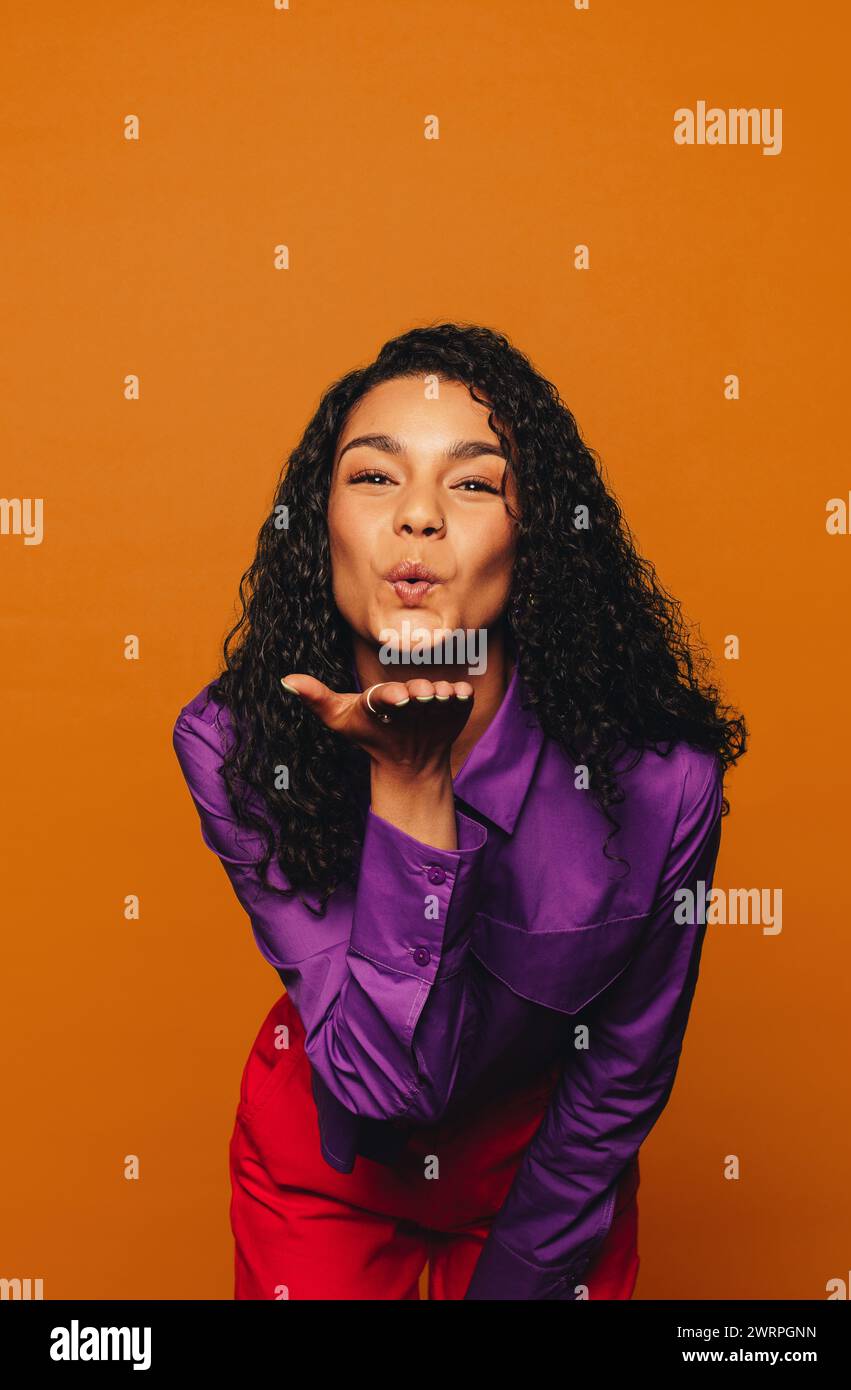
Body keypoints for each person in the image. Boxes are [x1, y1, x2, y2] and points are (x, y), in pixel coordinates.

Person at [171, 322, 747, 1300]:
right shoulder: (235, 744)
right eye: (374, 477)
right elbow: (389, 1084)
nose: (421, 518)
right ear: (320, 527)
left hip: (552, 1176)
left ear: (535, 537)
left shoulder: (662, 782)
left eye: (474, 482)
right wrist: (409, 782)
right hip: (330, 1163)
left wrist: (518, 1280)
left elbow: (624, 1069)